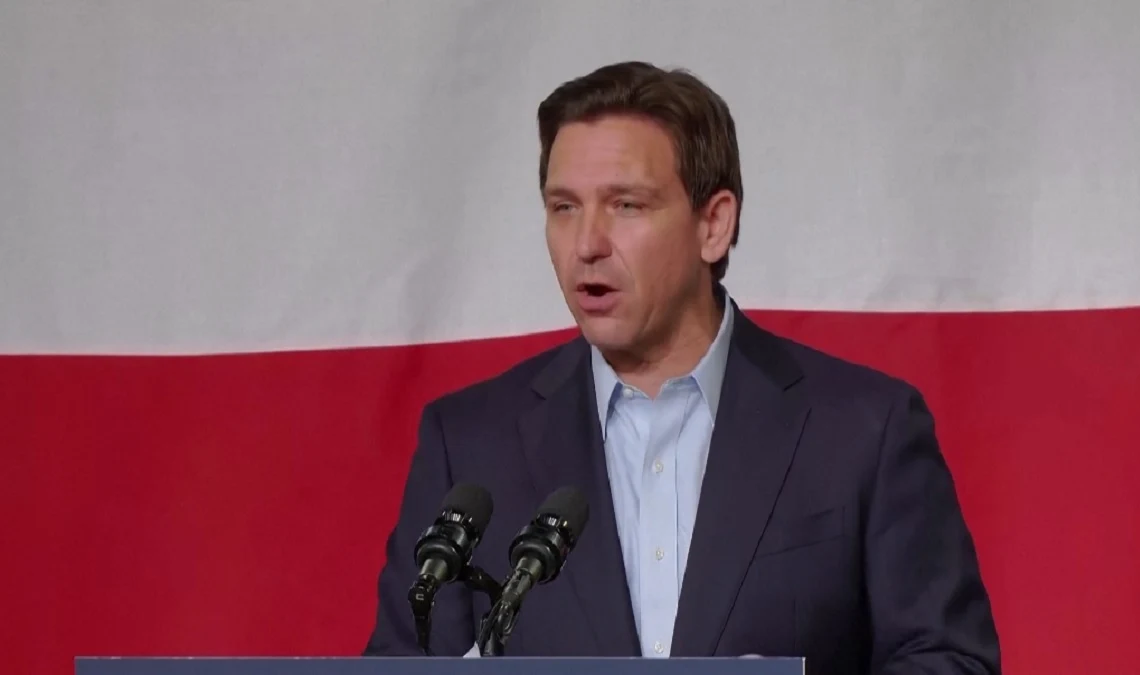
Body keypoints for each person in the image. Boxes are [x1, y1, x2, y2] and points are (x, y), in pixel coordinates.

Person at [364, 61, 1002, 673]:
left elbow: (950, 660)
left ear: (713, 225)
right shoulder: (470, 444)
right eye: (564, 207)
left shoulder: (864, 429)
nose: (586, 244)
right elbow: (405, 661)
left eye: (626, 205)